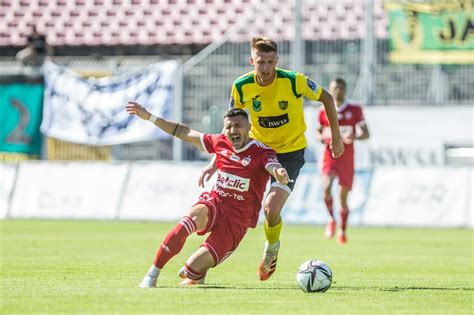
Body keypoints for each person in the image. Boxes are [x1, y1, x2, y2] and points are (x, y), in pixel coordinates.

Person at [199, 36, 345, 281]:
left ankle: (271, 248)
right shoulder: (242, 86)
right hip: (256, 152)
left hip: (290, 153)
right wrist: (215, 161)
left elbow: (327, 99)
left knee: (271, 208)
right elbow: (231, 127)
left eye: (270, 62)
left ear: (277, 60)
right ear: (251, 61)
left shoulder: (294, 81)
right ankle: (201, 263)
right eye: (260, 62)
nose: (265, 68)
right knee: (229, 208)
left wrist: (337, 138)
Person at [125, 102, 290, 287]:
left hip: (236, 222)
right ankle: (152, 274)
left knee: (189, 270)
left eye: (238, 126)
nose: (233, 130)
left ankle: (197, 272)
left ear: (249, 128)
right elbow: (183, 132)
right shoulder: (220, 142)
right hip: (215, 203)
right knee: (186, 222)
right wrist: (150, 117)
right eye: (229, 126)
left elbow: (272, 165)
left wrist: (278, 172)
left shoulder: (262, 151)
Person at [316, 78, 370, 244]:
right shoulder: (323, 109)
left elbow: (366, 133)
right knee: (326, 186)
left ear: (345, 90)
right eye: (334, 88)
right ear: (330, 90)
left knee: (342, 198)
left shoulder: (354, 109)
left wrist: (353, 136)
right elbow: (318, 132)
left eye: (340, 88)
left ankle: (342, 229)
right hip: (329, 155)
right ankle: (331, 219)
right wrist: (322, 137)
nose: (337, 91)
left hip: (347, 157)